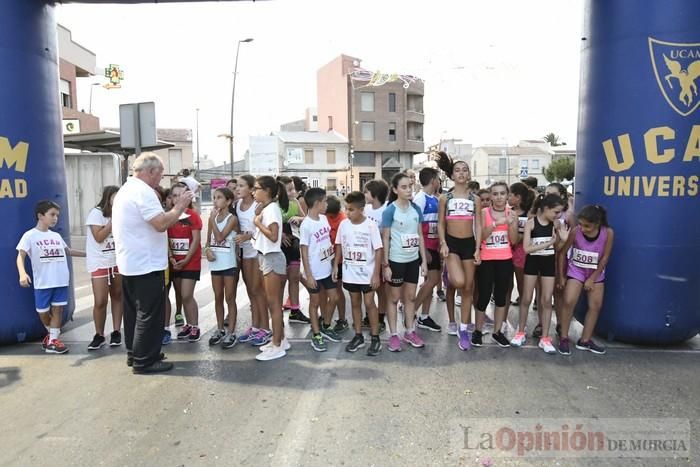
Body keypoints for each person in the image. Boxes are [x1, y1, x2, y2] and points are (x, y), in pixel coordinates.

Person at [112, 152, 193, 373]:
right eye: (161, 173)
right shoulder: (143, 192)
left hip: (131, 262)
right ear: (150, 171)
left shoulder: (126, 190)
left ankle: (135, 353)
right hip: (146, 263)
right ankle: (145, 360)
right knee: (149, 313)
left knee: (133, 312)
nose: (162, 178)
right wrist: (179, 207)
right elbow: (160, 224)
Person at [16, 200, 85, 354]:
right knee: (42, 311)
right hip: (43, 282)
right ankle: (52, 334)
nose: (55, 218)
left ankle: (53, 340)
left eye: (57, 216)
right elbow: (20, 256)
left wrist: (88, 254)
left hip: (60, 279)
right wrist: (22, 273)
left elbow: (67, 251)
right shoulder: (30, 235)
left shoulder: (56, 236)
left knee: (58, 310)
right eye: (52, 215)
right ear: (40, 216)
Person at [510, 193, 569, 353]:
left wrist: (562, 240)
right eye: (556, 212)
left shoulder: (556, 224)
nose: (558, 215)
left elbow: (556, 249)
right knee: (526, 298)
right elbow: (527, 248)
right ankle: (520, 331)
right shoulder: (531, 223)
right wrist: (550, 242)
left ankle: (545, 337)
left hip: (548, 263)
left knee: (546, 300)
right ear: (545, 209)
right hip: (532, 262)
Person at [435, 151, 482, 351]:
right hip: (452, 245)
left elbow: (478, 224)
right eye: (457, 170)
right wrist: (443, 243)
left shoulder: (476, 199)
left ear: (469, 174)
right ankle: (449, 277)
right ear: (451, 175)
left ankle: (463, 329)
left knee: (468, 288)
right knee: (460, 282)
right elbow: (440, 223)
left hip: (469, 245)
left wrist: (478, 248)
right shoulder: (445, 198)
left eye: (465, 170)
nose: (461, 173)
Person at [557, 205, 614, 355]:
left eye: (587, 226)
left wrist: (593, 278)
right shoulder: (576, 232)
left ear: (597, 223)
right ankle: (563, 337)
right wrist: (562, 276)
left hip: (595, 272)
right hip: (576, 270)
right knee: (569, 301)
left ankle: (585, 340)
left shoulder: (607, 233)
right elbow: (562, 253)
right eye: (581, 224)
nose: (583, 228)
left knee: (595, 305)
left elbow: (605, 257)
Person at [381, 172, 428, 352]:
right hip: (396, 261)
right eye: (404, 187)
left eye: (410, 186)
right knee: (393, 299)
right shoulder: (390, 210)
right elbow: (385, 239)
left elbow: (420, 236)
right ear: (395, 189)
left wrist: (423, 261)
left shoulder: (416, 209)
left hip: (412, 261)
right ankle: (394, 335)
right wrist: (386, 265)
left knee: (410, 297)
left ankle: (410, 331)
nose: (408, 190)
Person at [333, 191, 383, 355]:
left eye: (351, 209)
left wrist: (376, 274)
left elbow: (378, 250)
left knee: (369, 303)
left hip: (367, 274)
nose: (347, 213)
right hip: (350, 273)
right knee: (354, 303)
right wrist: (335, 266)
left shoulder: (371, 225)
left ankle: (375, 338)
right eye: (346, 209)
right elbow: (339, 245)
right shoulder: (343, 225)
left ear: (361, 209)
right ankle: (358, 335)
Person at [473, 182, 518, 347]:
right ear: (491, 196)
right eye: (495, 194)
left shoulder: (511, 214)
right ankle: (477, 331)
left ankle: (497, 332)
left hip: (505, 259)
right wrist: (496, 223)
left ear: (507, 195)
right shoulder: (483, 213)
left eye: (502, 194)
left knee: (501, 297)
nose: (499, 197)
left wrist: (511, 223)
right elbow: (481, 236)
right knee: (483, 296)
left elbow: (514, 240)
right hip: (486, 259)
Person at [253, 176, 289, 361]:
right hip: (266, 257)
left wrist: (258, 223)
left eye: (256, 188)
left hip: (272, 258)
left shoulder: (272, 210)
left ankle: (277, 345)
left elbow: (274, 236)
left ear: (267, 191)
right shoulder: (268, 208)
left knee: (274, 303)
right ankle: (280, 339)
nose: (253, 191)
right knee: (272, 302)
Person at [299, 188, 340, 352]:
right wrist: (308, 275)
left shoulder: (323, 219)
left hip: (327, 269)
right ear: (317, 203)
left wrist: (333, 265)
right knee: (314, 302)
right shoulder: (306, 225)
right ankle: (316, 334)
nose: (326, 204)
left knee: (334, 297)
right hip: (314, 272)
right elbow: (304, 250)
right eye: (324, 201)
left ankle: (326, 325)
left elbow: (327, 244)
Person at [85, 185, 123, 350]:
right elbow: (99, 237)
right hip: (99, 261)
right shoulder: (97, 213)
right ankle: (99, 334)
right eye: (115, 197)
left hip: (117, 261)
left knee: (117, 296)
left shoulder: (123, 213)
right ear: (108, 197)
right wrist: (113, 221)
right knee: (100, 300)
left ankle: (116, 332)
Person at [235, 175, 271, 346]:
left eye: (241, 186)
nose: (237, 189)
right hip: (244, 252)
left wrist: (248, 236)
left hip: (257, 252)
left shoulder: (258, 206)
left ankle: (266, 329)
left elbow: (263, 229)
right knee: (251, 292)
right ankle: (255, 327)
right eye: (237, 186)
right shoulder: (236, 205)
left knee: (258, 291)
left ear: (251, 189)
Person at [168, 183, 203, 343]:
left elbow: (196, 240)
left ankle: (195, 325)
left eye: (181, 195)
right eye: (174, 195)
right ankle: (188, 325)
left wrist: (186, 260)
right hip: (175, 262)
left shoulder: (192, 216)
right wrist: (171, 257)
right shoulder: (169, 215)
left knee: (187, 294)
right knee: (181, 295)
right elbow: (166, 239)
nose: (177, 198)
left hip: (190, 262)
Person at [205, 187, 239, 349]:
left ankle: (231, 331)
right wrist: (207, 251)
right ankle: (219, 329)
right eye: (214, 197)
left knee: (229, 297)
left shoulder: (232, 218)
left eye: (219, 198)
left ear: (228, 201)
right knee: (218, 297)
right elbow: (209, 241)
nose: (215, 201)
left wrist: (212, 219)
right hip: (215, 263)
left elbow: (219, 237)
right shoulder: (213, 218)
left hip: (229, 263)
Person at [411, 167, 443, 332]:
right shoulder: (420, 199)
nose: (439, 182)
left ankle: (424, 316)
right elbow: (413, 225)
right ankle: (412, 312)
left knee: (430, 283)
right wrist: (423, 252)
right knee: (433, 280)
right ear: (433, 180)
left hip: (435, 246)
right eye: (438, 179)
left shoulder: (435, 199)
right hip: (426, 248)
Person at [277, 176, 310, 324]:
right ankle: (276, 312)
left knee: (294, 278)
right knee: (280, 281)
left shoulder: (295, 202)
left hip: (294, 243)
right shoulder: (273, 205)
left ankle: (295, 311)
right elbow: (264, 222)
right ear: (280, 190)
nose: (293, 192)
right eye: (289, 189)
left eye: (293, 189)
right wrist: (280, 234)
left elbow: (306, 219)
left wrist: (298, 218)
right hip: (278, 245)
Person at [363, 179, 390, 332]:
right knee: (368, 288)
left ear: (375, 194)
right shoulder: (365, 209)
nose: (364, 194)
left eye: (366, 191)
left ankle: (380, 316)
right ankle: (369, 315)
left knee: (381, 288)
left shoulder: (387, 209)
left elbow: (387, 233)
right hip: (367, 256)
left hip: (381, 254)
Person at [507, 182, 534, 308]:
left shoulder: (530, 213)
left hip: (522, 253)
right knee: (507, 285)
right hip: (506, 252)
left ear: (518, 197)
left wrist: (520, 236)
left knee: (522, 285)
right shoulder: (508, 212)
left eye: (510, 195)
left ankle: (523, 314)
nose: (507, 197)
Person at [324, 195, 349, 333]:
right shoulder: (324, 217)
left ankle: (342, 319)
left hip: (338, 261)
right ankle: (324, 317)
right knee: (324, 291)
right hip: (326, 259)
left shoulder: (343, 221)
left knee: (337, 290)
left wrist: (336, 262)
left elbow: (341, 244)